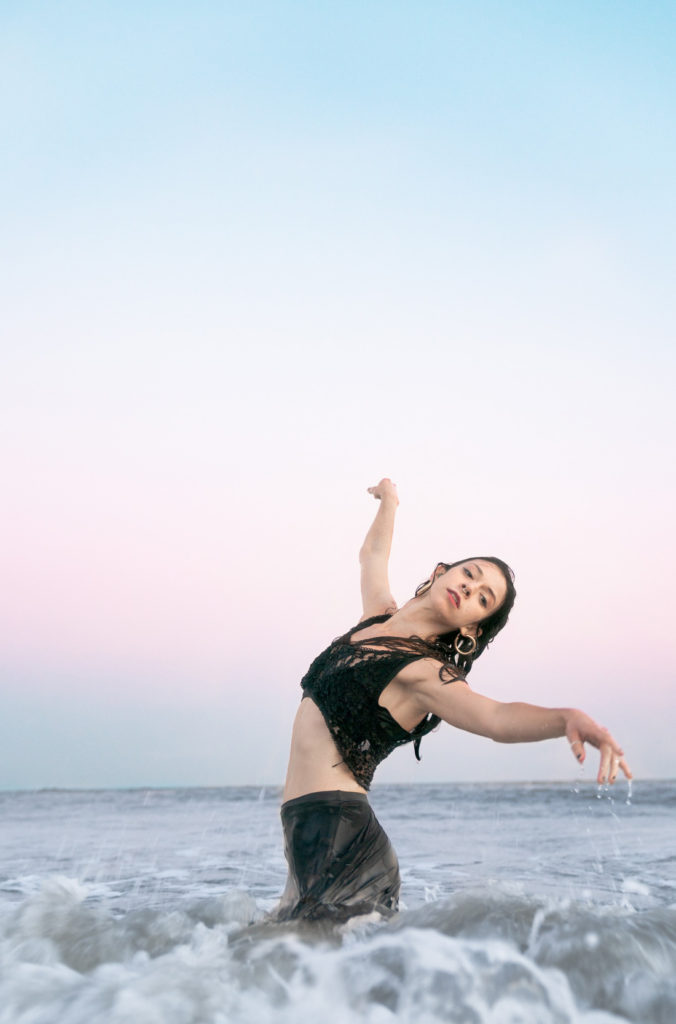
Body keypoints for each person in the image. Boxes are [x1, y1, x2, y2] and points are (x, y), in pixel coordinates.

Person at [272, 479, 631, 924]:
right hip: (307, 834)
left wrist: (567, 718)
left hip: (340, 838)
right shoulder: (375, 619)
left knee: (273, 957)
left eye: (483, 598)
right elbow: (372, 556)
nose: (470, 588)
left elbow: (495, 717)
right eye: (470, 574)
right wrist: (390, 501)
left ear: (472, 628)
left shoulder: (425, 673)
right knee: (261, 956)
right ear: (441, 571)